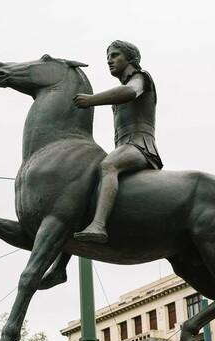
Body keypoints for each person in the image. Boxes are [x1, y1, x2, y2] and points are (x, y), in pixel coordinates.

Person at [73, 40, 163, 243]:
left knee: (109, 164)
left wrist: (91, 100)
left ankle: (98, 225)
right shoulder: (121, 88)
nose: (110, 61)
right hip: (124, 146)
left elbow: (130, 92)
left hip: (140, 147)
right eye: (108, 57)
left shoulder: (140, 78)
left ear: (131, 58)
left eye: (115, 55)